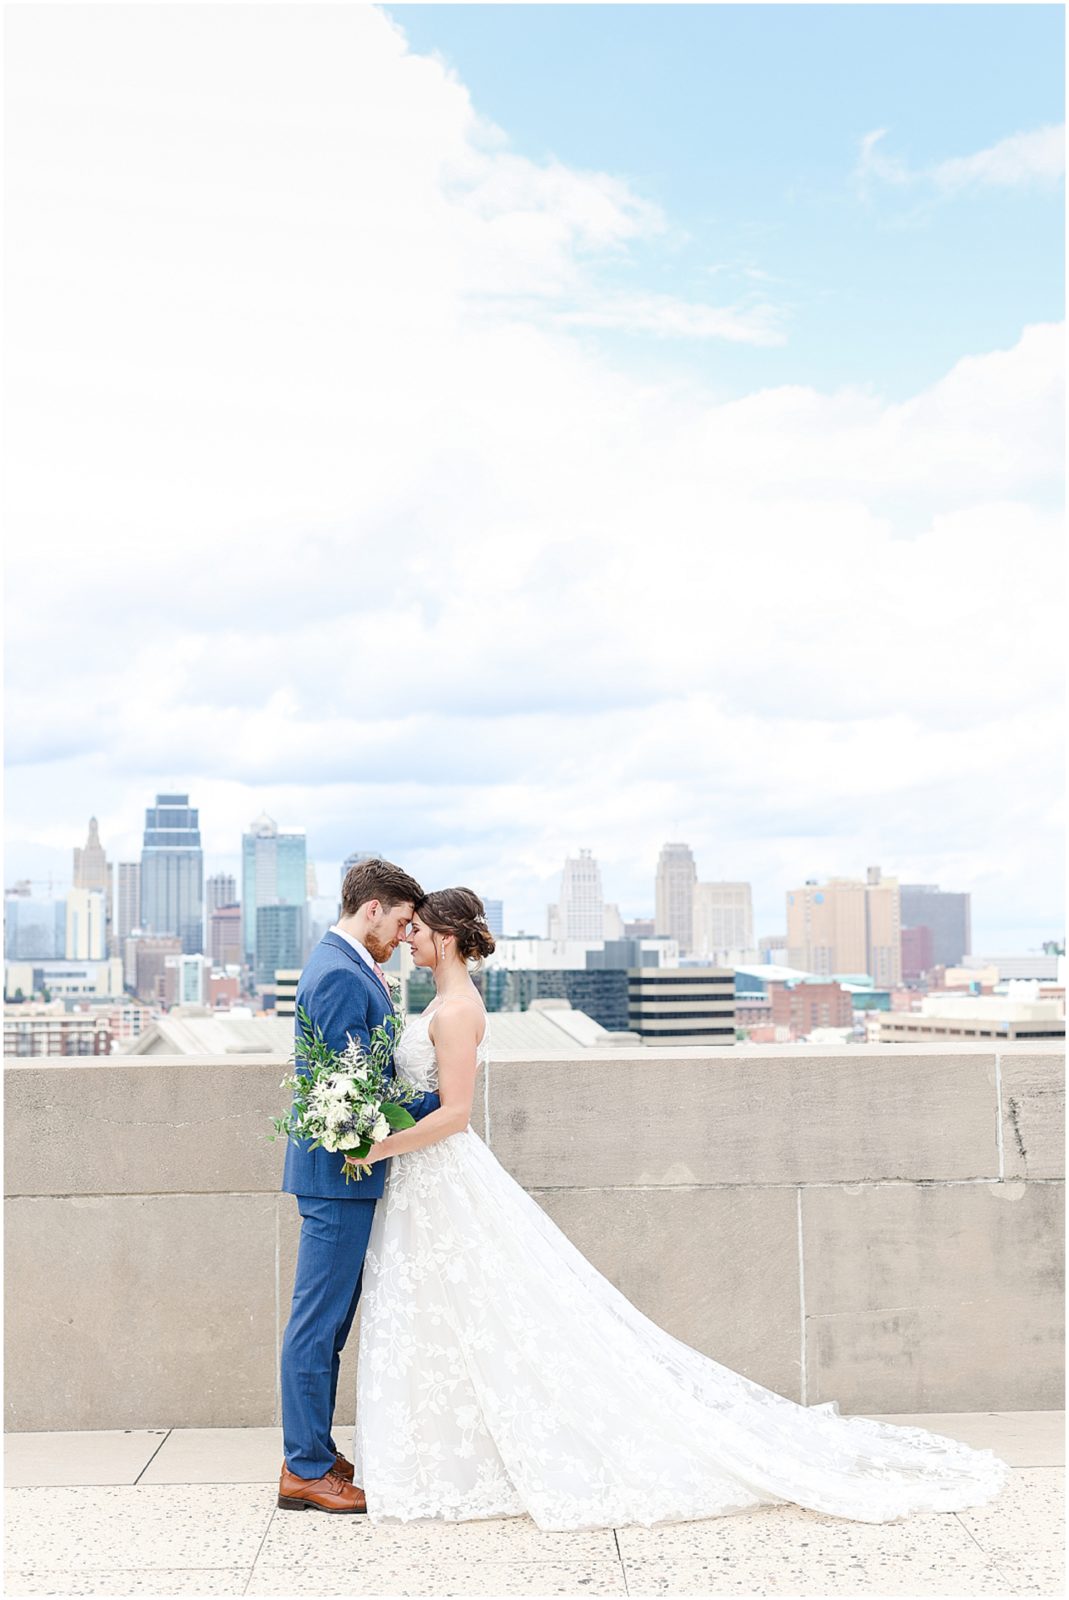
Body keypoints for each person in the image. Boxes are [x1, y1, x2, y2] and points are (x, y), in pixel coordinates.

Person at [350, 886, 1011, 1532]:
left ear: (445, 936)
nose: (406, 940)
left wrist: (380, 1146)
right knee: (448, 1316)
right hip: (425, 1182)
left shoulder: (457, 1010)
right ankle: (446, 1455)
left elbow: (458, 1116)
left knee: (495, 1313)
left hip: (441, 1173)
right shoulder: (436, 1002)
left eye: (416, 931)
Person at [277, 858, 443, 1514]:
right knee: (316, 1325)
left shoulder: (345, 964)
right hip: (339, 1172)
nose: (405, 936)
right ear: (371, 908)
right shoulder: (340, 973)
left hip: (344, 1172)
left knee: (330, 1323)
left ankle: (313, 1451)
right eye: (402, 921)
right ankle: (304, 1468)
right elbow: (352, 1092)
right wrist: (436, 1110)